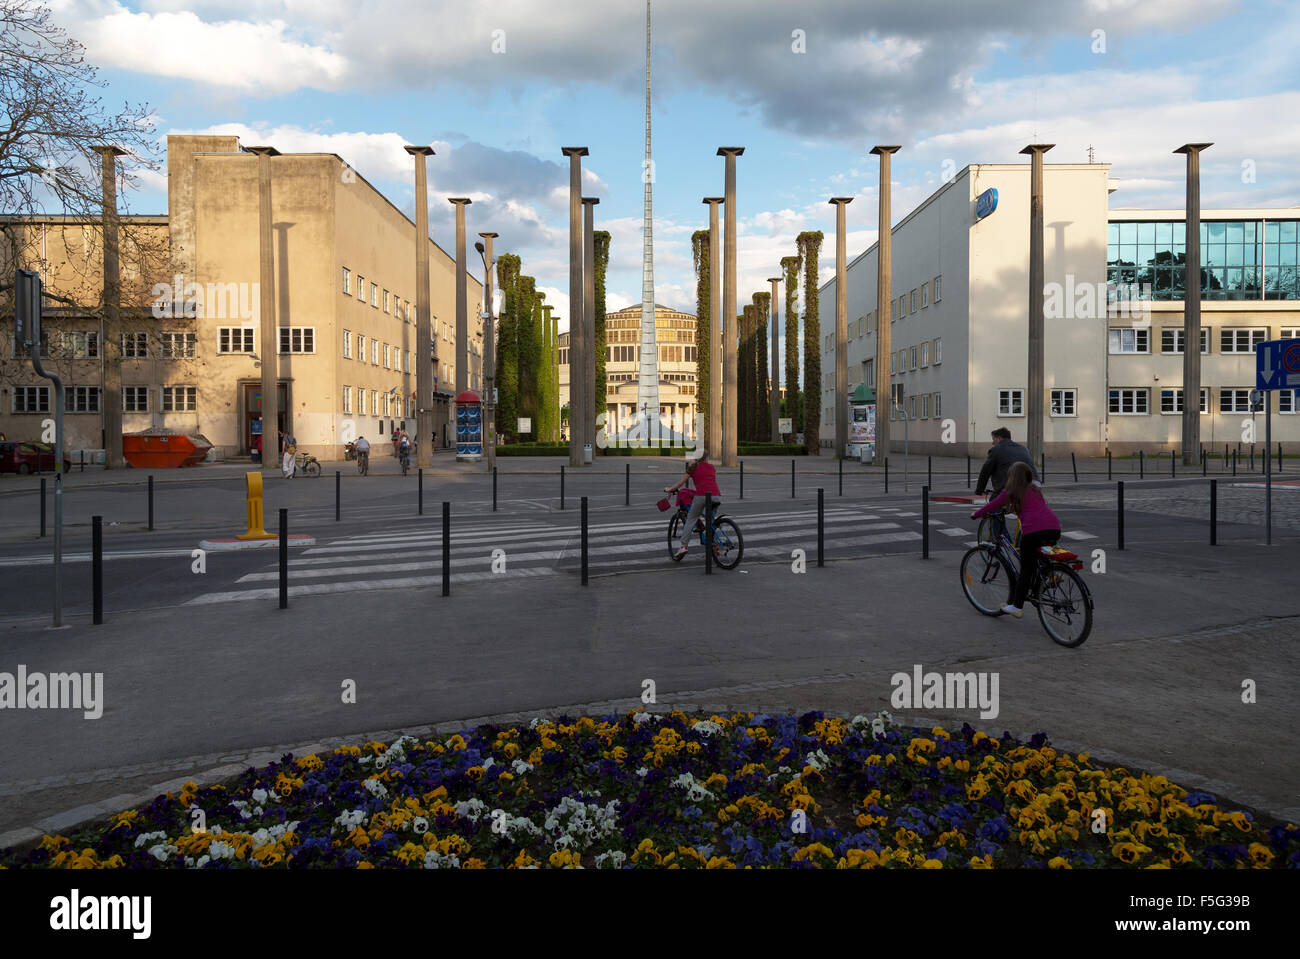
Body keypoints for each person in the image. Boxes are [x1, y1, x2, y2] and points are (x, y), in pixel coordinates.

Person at [971, 461, 1061, 619]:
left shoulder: (1010, 492)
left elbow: (993, 505)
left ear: (1012, 477)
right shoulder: (1035, 489)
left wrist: (976, 514)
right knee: (1042, 554)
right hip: (1054, 528)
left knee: (1026, 569)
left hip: (1033, 532)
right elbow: (1036, 507)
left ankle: (1016, 606)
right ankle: (1049, 575)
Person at [664, 451, 722, 559]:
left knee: (692, 518)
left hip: (702, 496)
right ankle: (714, 547)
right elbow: (709, 482)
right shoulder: (712, 467)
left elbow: (680, 483)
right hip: (716, 496)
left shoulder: (693, 468)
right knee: (711, 522)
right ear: (706, 458)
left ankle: (684, 546)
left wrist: (670, 489)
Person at [974, 427, 1036, 497]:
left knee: (994, 504)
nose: (992, 443)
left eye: (993, 439)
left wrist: (979, 490)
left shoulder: (996, 449)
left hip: (1008, 488)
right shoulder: (1023, 448)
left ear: (999, 438)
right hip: (1032, 485)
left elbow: (985, 471)